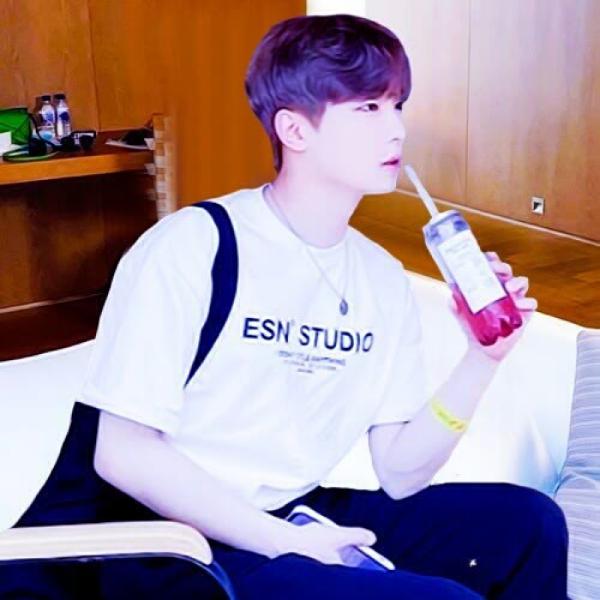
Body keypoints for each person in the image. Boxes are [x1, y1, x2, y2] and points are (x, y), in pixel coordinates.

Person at [11, 13, 567, 600]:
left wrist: (483, 358)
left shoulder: (381, 277)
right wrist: (282, 541)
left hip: (288, 514)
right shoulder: (195, 245)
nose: (396, 129)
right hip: (163, 541)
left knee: (527, 526)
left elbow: (401, 473)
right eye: (368, 108)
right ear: (294, 130)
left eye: (397, 105)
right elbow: (121, 453)